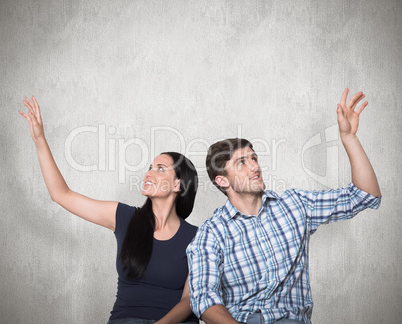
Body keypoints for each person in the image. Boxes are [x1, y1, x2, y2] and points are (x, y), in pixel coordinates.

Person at [186, 89, 382, 324]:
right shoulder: (211, 233)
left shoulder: (294, 205)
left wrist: (349, 138)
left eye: (254, 158)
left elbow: (365, 195)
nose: (255, 167)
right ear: (222, 180)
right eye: (242, 162)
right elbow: (204, 300)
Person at [19, 96, 199, 324]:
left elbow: (189, 300)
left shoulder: (197, 236)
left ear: (177, 185)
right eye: (149, 168)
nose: (148, 174)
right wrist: (40, 140)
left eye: (160, 169)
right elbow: (61, 194)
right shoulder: (123, 217)